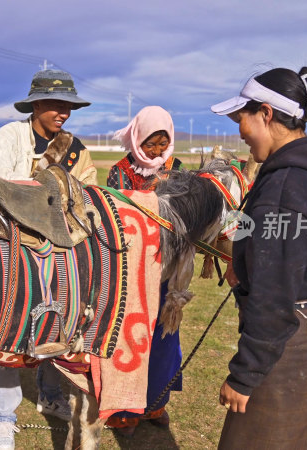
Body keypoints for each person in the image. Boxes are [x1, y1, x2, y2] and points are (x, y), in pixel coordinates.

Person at [210, 66, 307, 449]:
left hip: (288, 344)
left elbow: (275, 293)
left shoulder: (286, 185)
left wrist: (245, 376)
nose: (240, 132)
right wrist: (241, 256)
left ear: (266, 114)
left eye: (242, 118)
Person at [0, 68, 96, 450]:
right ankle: (4, 416)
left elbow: (88, 194)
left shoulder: (76, 148)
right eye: (54, 104)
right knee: (11, 330)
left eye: (67, 105)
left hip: (61, 249)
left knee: (60, 324)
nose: (62, 112)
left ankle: (50, 394)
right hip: (14, 244)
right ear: (35, 105)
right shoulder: (10, 136)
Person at [104, 105, 182, 437]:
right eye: (151, 143)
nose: (157, 151)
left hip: (165, 267)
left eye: (163, 144)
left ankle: (155, 403)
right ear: (138, 138)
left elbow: (184, 210)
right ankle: (123, 410)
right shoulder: (118, 172)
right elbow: (113, 217)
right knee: (129, 338)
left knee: (163, 337)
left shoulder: (175, 170)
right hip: (130, 270)